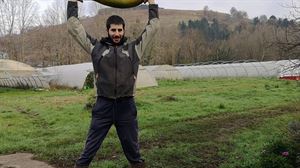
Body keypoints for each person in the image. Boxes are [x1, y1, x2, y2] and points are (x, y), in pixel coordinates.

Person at [67, 0, 159, 167]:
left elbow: (152, 29)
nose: (116, 33)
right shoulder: (97, 48)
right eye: (113, 30)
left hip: (126, 106)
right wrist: (73, 3)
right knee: (89, 149)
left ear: (124, 30)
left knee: (133, 151)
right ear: (108, 30)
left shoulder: (134, 49)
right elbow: (75, 29)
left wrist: (152, 5)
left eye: (119, 30)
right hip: (103, 105)